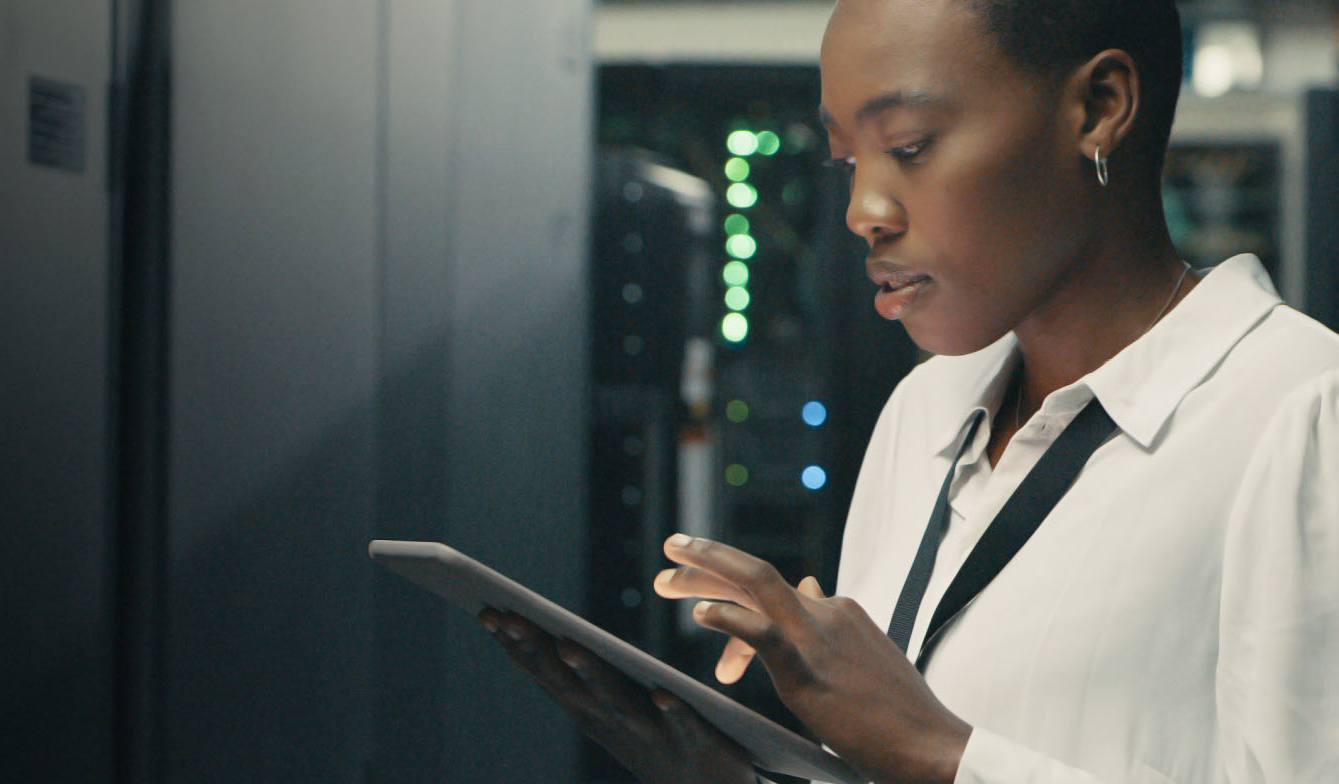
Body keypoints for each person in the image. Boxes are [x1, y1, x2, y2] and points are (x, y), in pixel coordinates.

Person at [479, 0, 1339, 781]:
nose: (864, 209)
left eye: (910, 147)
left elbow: (919, 751)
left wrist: (937, 751)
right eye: (848, 159)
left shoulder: (1300, 408)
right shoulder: (925, 410)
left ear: (1100, 108)